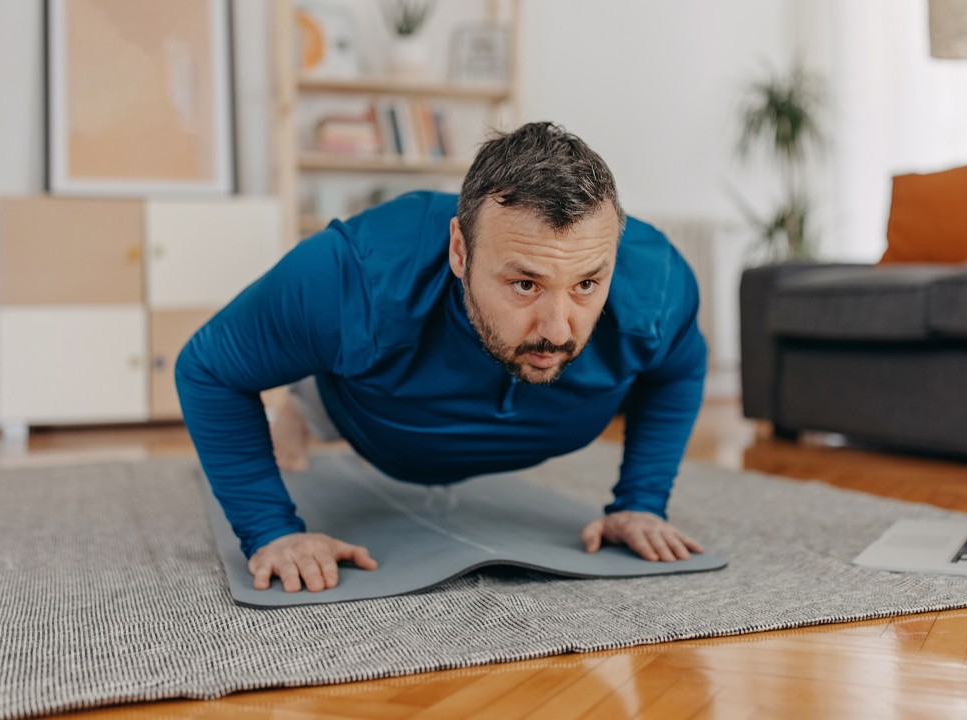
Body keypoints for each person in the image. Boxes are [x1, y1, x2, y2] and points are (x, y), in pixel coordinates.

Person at [176, 122, 708, 594]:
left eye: (587, 284)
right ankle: (303, 406)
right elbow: (209, 369)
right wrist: (271, 531)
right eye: (525, 283)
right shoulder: (353, 275)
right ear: (459, 250)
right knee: (323, 374)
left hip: (530, 418)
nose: (557, 328)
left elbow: (680, 368)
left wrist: (641, 501)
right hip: (375, 416)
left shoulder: (657, 282)